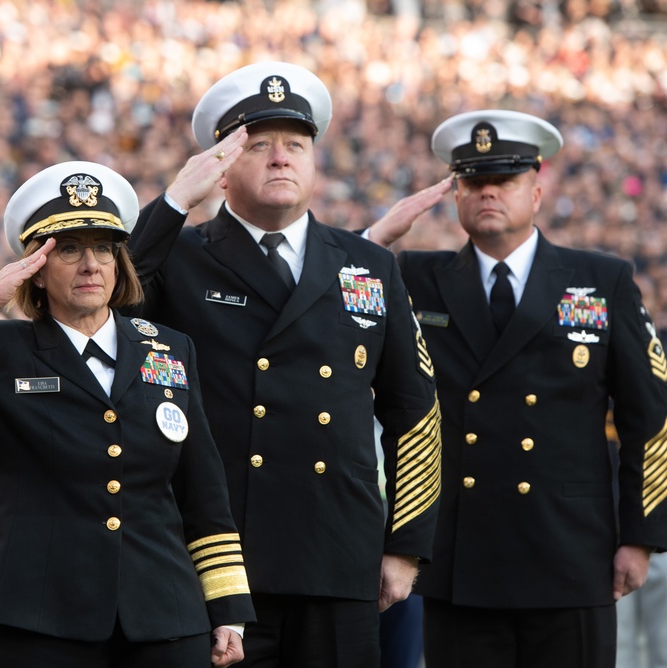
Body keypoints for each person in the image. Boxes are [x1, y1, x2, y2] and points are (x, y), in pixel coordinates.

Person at [127, 61, 443, 667]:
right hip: (215, 560)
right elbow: (111, 299)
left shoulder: (366, 263)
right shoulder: (181, 257)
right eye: (259, 146)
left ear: (314, 164)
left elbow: (415, 410)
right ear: (219, 172)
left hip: (337, 552)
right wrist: (170, 204)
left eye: (295, 145)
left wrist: (405, 546)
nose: (280, 158)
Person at [0, 160, 255, 667]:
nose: (91, 264)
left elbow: (203, 490)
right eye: (68, 249)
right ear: (37, 269)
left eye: (105, 249)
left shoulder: (171, 351)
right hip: (36, 618)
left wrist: (228, 609)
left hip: (162, 615)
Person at [366, 109, 667, 668]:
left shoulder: (601, 280)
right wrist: (373, 240)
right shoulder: (414, 276)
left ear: (536, 189)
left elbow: (648, 413)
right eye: (474, 182)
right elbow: (335, 323)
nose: (488, 193)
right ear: (455, 195)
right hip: (464, 559)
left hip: (571, 553)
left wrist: (641, 533)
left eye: (504, 180)